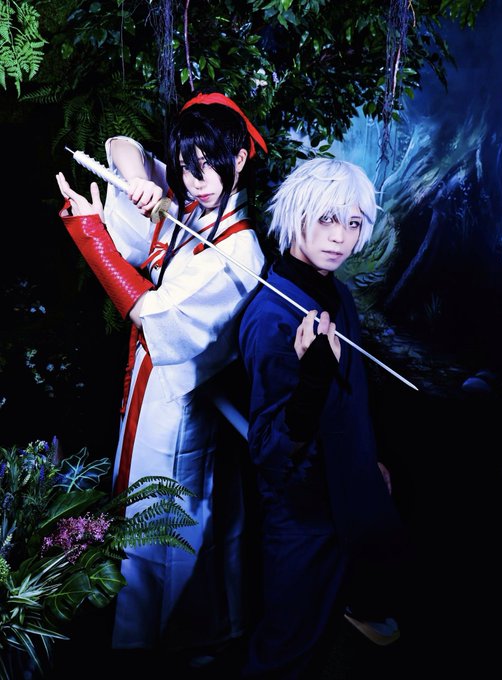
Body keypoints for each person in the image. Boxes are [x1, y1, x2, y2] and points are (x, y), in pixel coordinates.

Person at [55, 91, 267, 672]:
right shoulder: (190, 210)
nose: (197, 179)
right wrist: (138, 184)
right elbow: (121, 145)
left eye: (210, 164)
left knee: (171, 522)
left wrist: (91, 234)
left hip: (180, 407)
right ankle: (142, 637)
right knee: (142, 512)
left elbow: (153, 314)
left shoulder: (239, 249)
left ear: (240, 159)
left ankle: (176, 643)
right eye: (186, 165)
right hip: (147, 391)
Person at [238, 157, 411, 678]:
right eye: (328, 219)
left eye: (354, 223)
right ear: (298, 216)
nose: (341, 237)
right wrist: (312, 380)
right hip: (302, 513)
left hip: (349, 491)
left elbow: (352, 395)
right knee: (284, 651)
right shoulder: (270, 318)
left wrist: (366, 461)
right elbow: (268, 453)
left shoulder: (335, 291)